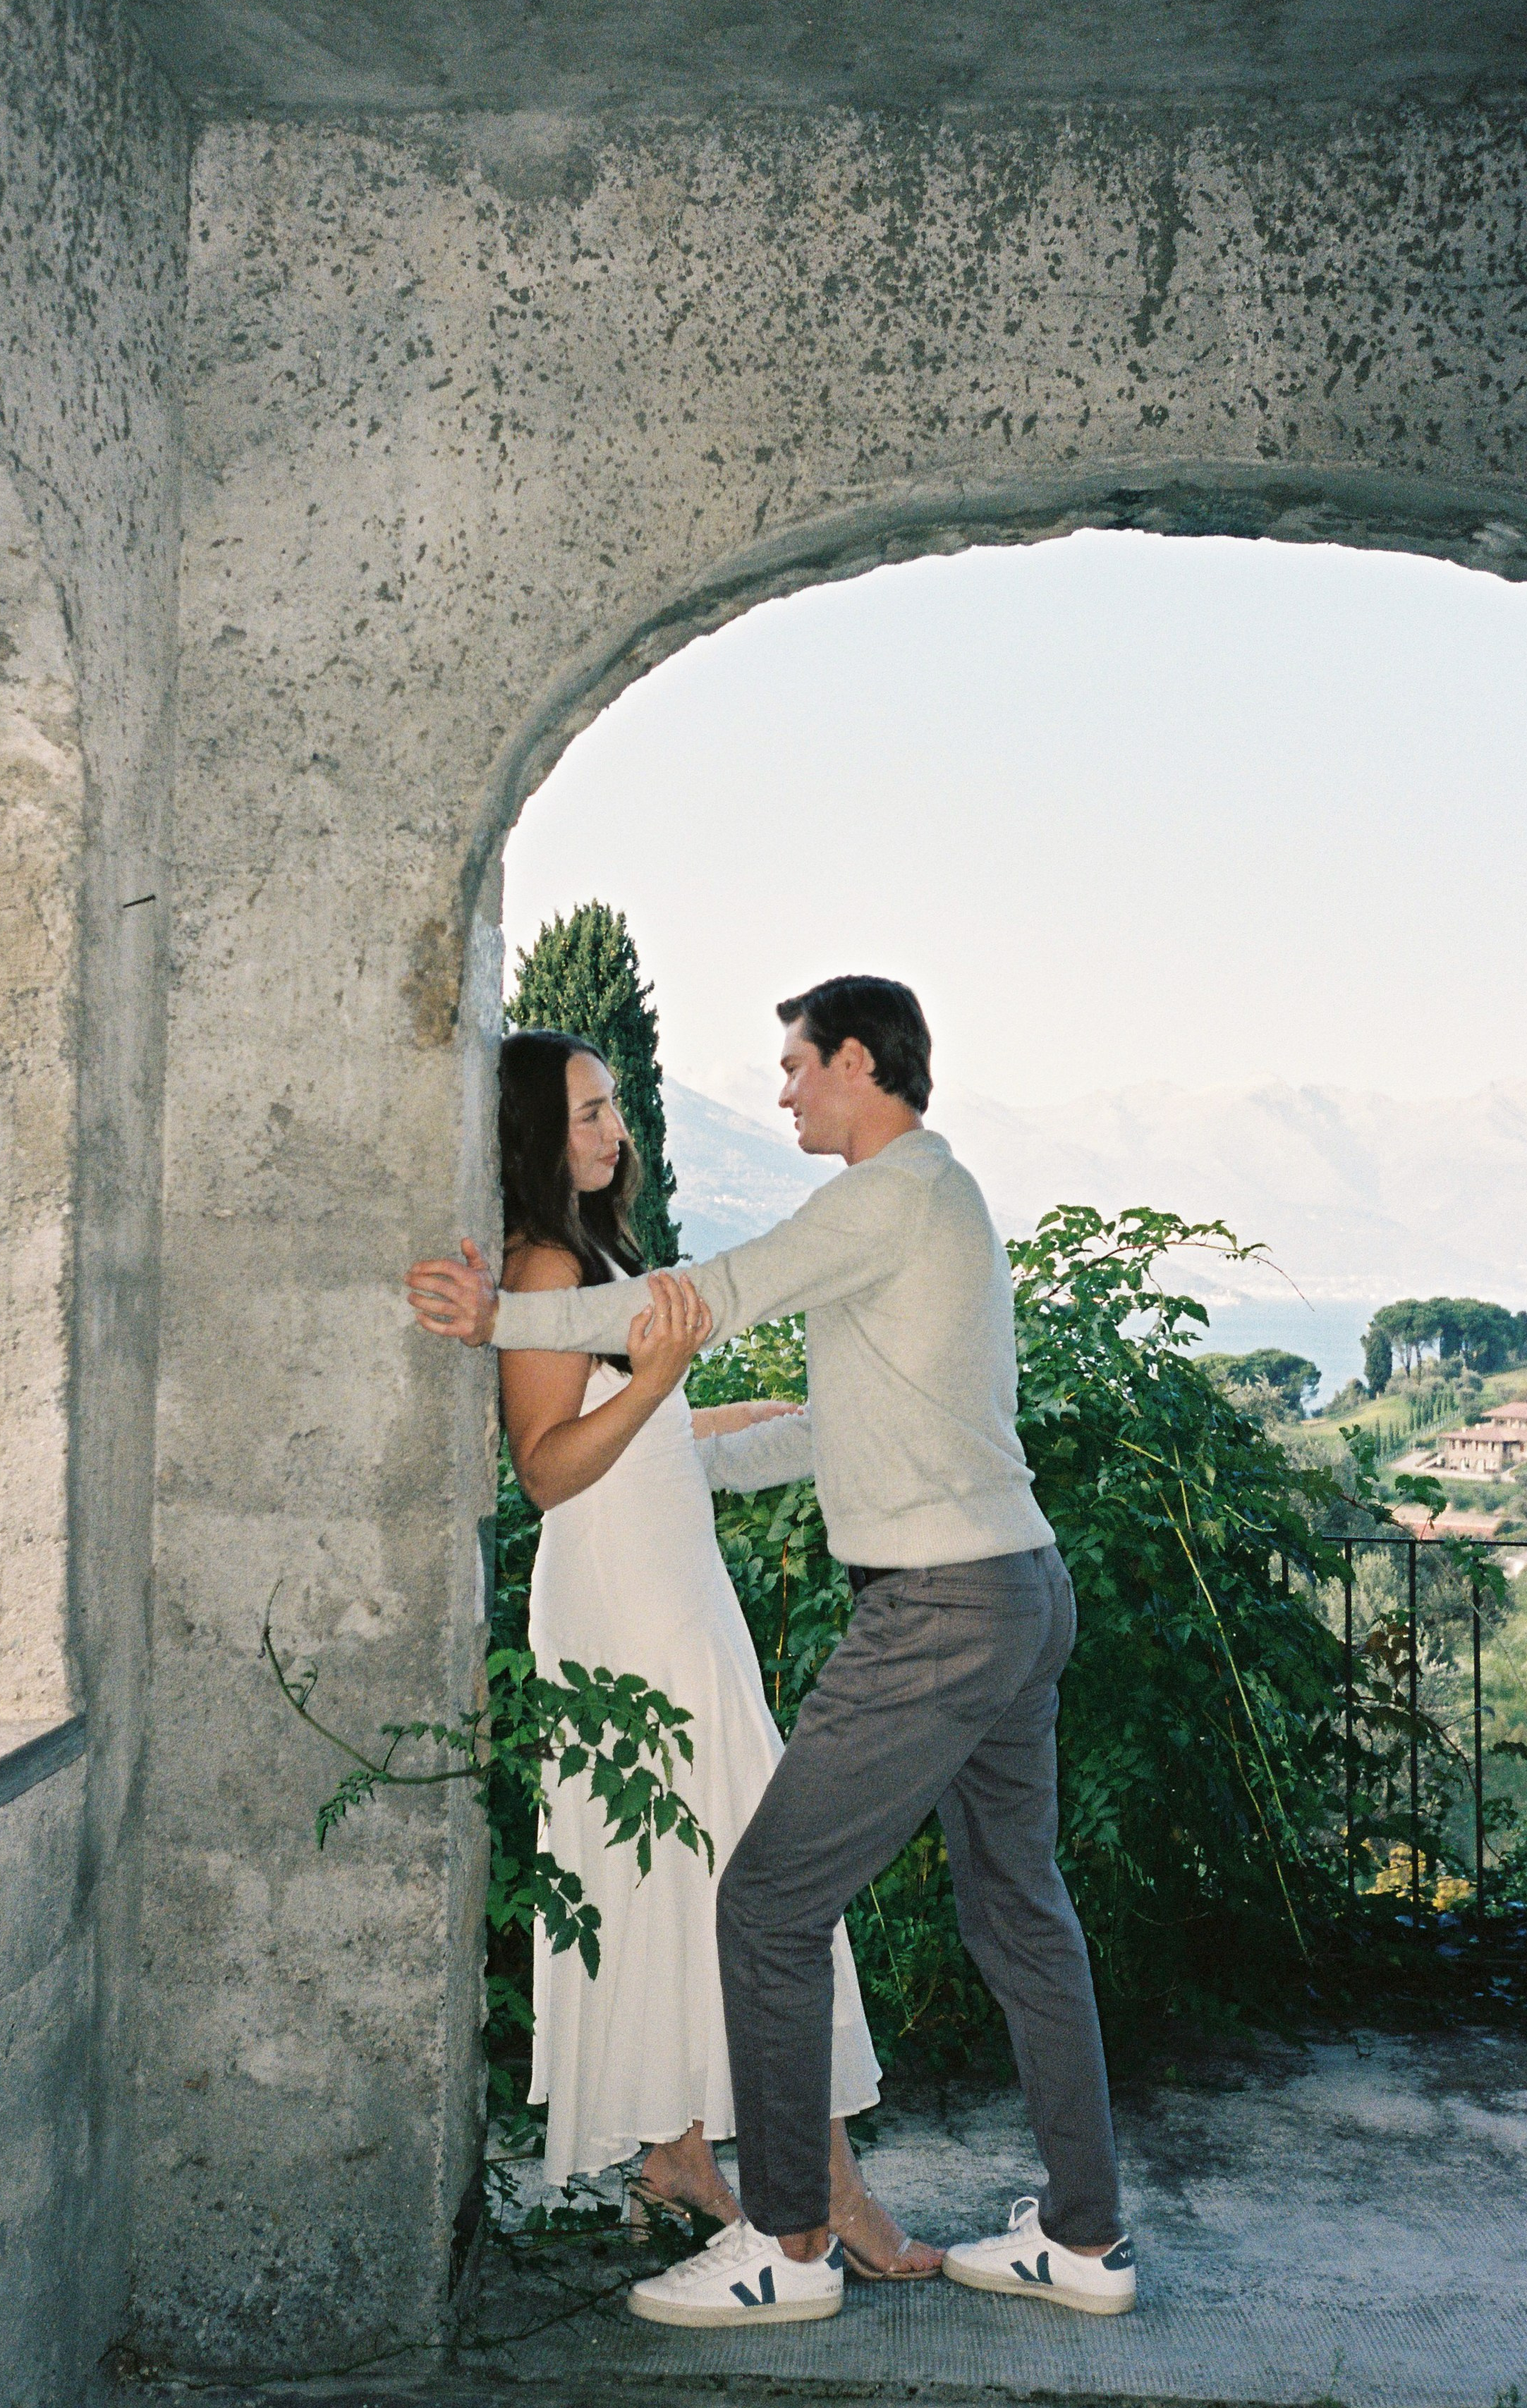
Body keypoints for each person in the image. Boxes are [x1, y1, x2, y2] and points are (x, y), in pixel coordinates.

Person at [408, 980, 1131, 2332]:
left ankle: (787, 2244)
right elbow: (820, 1428)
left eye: (796, 1067)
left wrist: (492, 1318)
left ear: (856, 1062)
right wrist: (683, 1434)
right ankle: (1086, 2238)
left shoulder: (880, 1197)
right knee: (1021, 1916)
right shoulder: (950, 1201)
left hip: (935, 1608)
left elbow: (717, 1297)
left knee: (766, 1905)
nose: (784, 1090)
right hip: (1021, 1586)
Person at [485, 1027, 942, 2282]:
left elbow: (666, 1436)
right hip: (622, 1618)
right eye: (585, 1111)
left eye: (612, 1106)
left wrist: (817, 1420)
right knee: (741, 1878)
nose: (613, 1129)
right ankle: (828, 2188)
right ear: (535, 1131)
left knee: (705, 1885)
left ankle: (681, 2154)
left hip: (679, 1607)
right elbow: (546, 1470)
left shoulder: (596, 1258)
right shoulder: (536, 1264)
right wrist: (658, 1377)